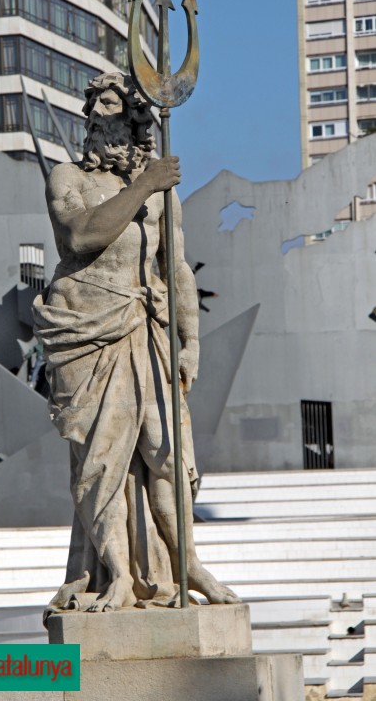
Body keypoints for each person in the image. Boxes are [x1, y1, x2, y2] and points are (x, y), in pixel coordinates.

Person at [33, 72, 239, 612]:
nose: (105, 113)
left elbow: (177, 270)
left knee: (167, 454)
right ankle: (120, 575)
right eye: (97, 104)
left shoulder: (160, 190)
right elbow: (80, 236)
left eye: (116, 104)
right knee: (104, 464)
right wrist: (143, 187)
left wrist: (190, 342)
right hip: (89, 334)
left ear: (135, 119)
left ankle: (187, 563)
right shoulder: (67, 178)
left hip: (146, 328)